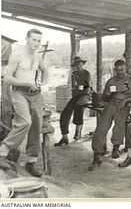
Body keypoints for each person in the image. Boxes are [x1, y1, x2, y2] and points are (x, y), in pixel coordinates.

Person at [0, 28, 48, 177]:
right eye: (34, 40)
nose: (36, 43)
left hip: (36, 94)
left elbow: (45, 71)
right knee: (25, 122)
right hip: (19, 92)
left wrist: (43, 82)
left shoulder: (38, 56)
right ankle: (3, 152)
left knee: (36, 125)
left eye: (39, 41)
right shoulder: (17, 55)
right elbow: (7, 79)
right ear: (27, 38)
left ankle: (31, 162)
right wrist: (27, 84)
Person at [88, 60, 131, 170]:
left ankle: (116, 147)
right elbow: (104, 98)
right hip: (111, 104)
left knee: (119, 125)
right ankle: (97, 155)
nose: (120, 72)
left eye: (122, 69)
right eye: (117, 70)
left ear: (125, 68)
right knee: (101, 127)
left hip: (123, 106)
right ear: (114, 70)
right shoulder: (111, 81)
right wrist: (107, 95)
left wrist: (126, 100)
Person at [54, 56, 91, 146]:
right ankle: (64, 137)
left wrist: (78, 91)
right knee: (65, 113)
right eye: (76, 65)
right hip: (76, 95)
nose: (77, 66)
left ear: (82, 64)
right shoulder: (74, 74)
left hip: (85, 95)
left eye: (79, 64)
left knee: (79, 108)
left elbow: (87, 88)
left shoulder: (87, 74)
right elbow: (73, 88)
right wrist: (75, 90)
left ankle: (78, 133)